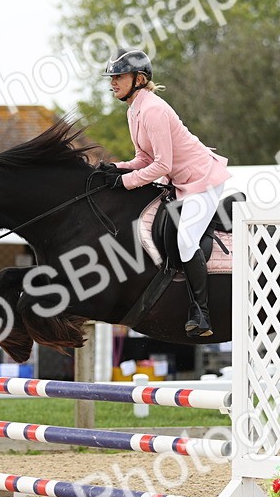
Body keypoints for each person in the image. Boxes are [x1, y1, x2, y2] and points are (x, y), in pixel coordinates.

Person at [99, 48, 231, 336]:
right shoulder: (134, 110)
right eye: (112, 77)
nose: (113, 82)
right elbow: (144, 158)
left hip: (203, 180)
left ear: (139, 79)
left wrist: (125, 182)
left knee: (186, 240)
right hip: (181, 182)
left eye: (119, 76)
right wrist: (115, 168)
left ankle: (201, 313)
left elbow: (162, 165)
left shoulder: (153, 110)